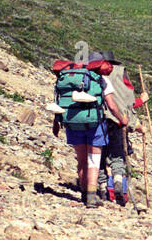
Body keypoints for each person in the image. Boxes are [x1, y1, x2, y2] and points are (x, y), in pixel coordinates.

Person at [51, 54, 125, 208]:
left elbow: (59, 100)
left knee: (82, 161)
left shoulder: (67, 78)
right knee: (93, 161)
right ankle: (91, 197)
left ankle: (84, 195)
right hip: (94, 124)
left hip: (72, 122)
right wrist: (121, 119)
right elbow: (111, 105)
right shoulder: (100, 79)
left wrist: (56, 123)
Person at [95, 51, 149, 207]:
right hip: (117, 121)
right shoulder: (120, 72)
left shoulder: (92, 73)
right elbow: (127, 103)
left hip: (96, 119)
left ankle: (103, 187)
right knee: (118, 155)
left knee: (99, 156)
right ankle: (118, 181)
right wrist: (141, 100)